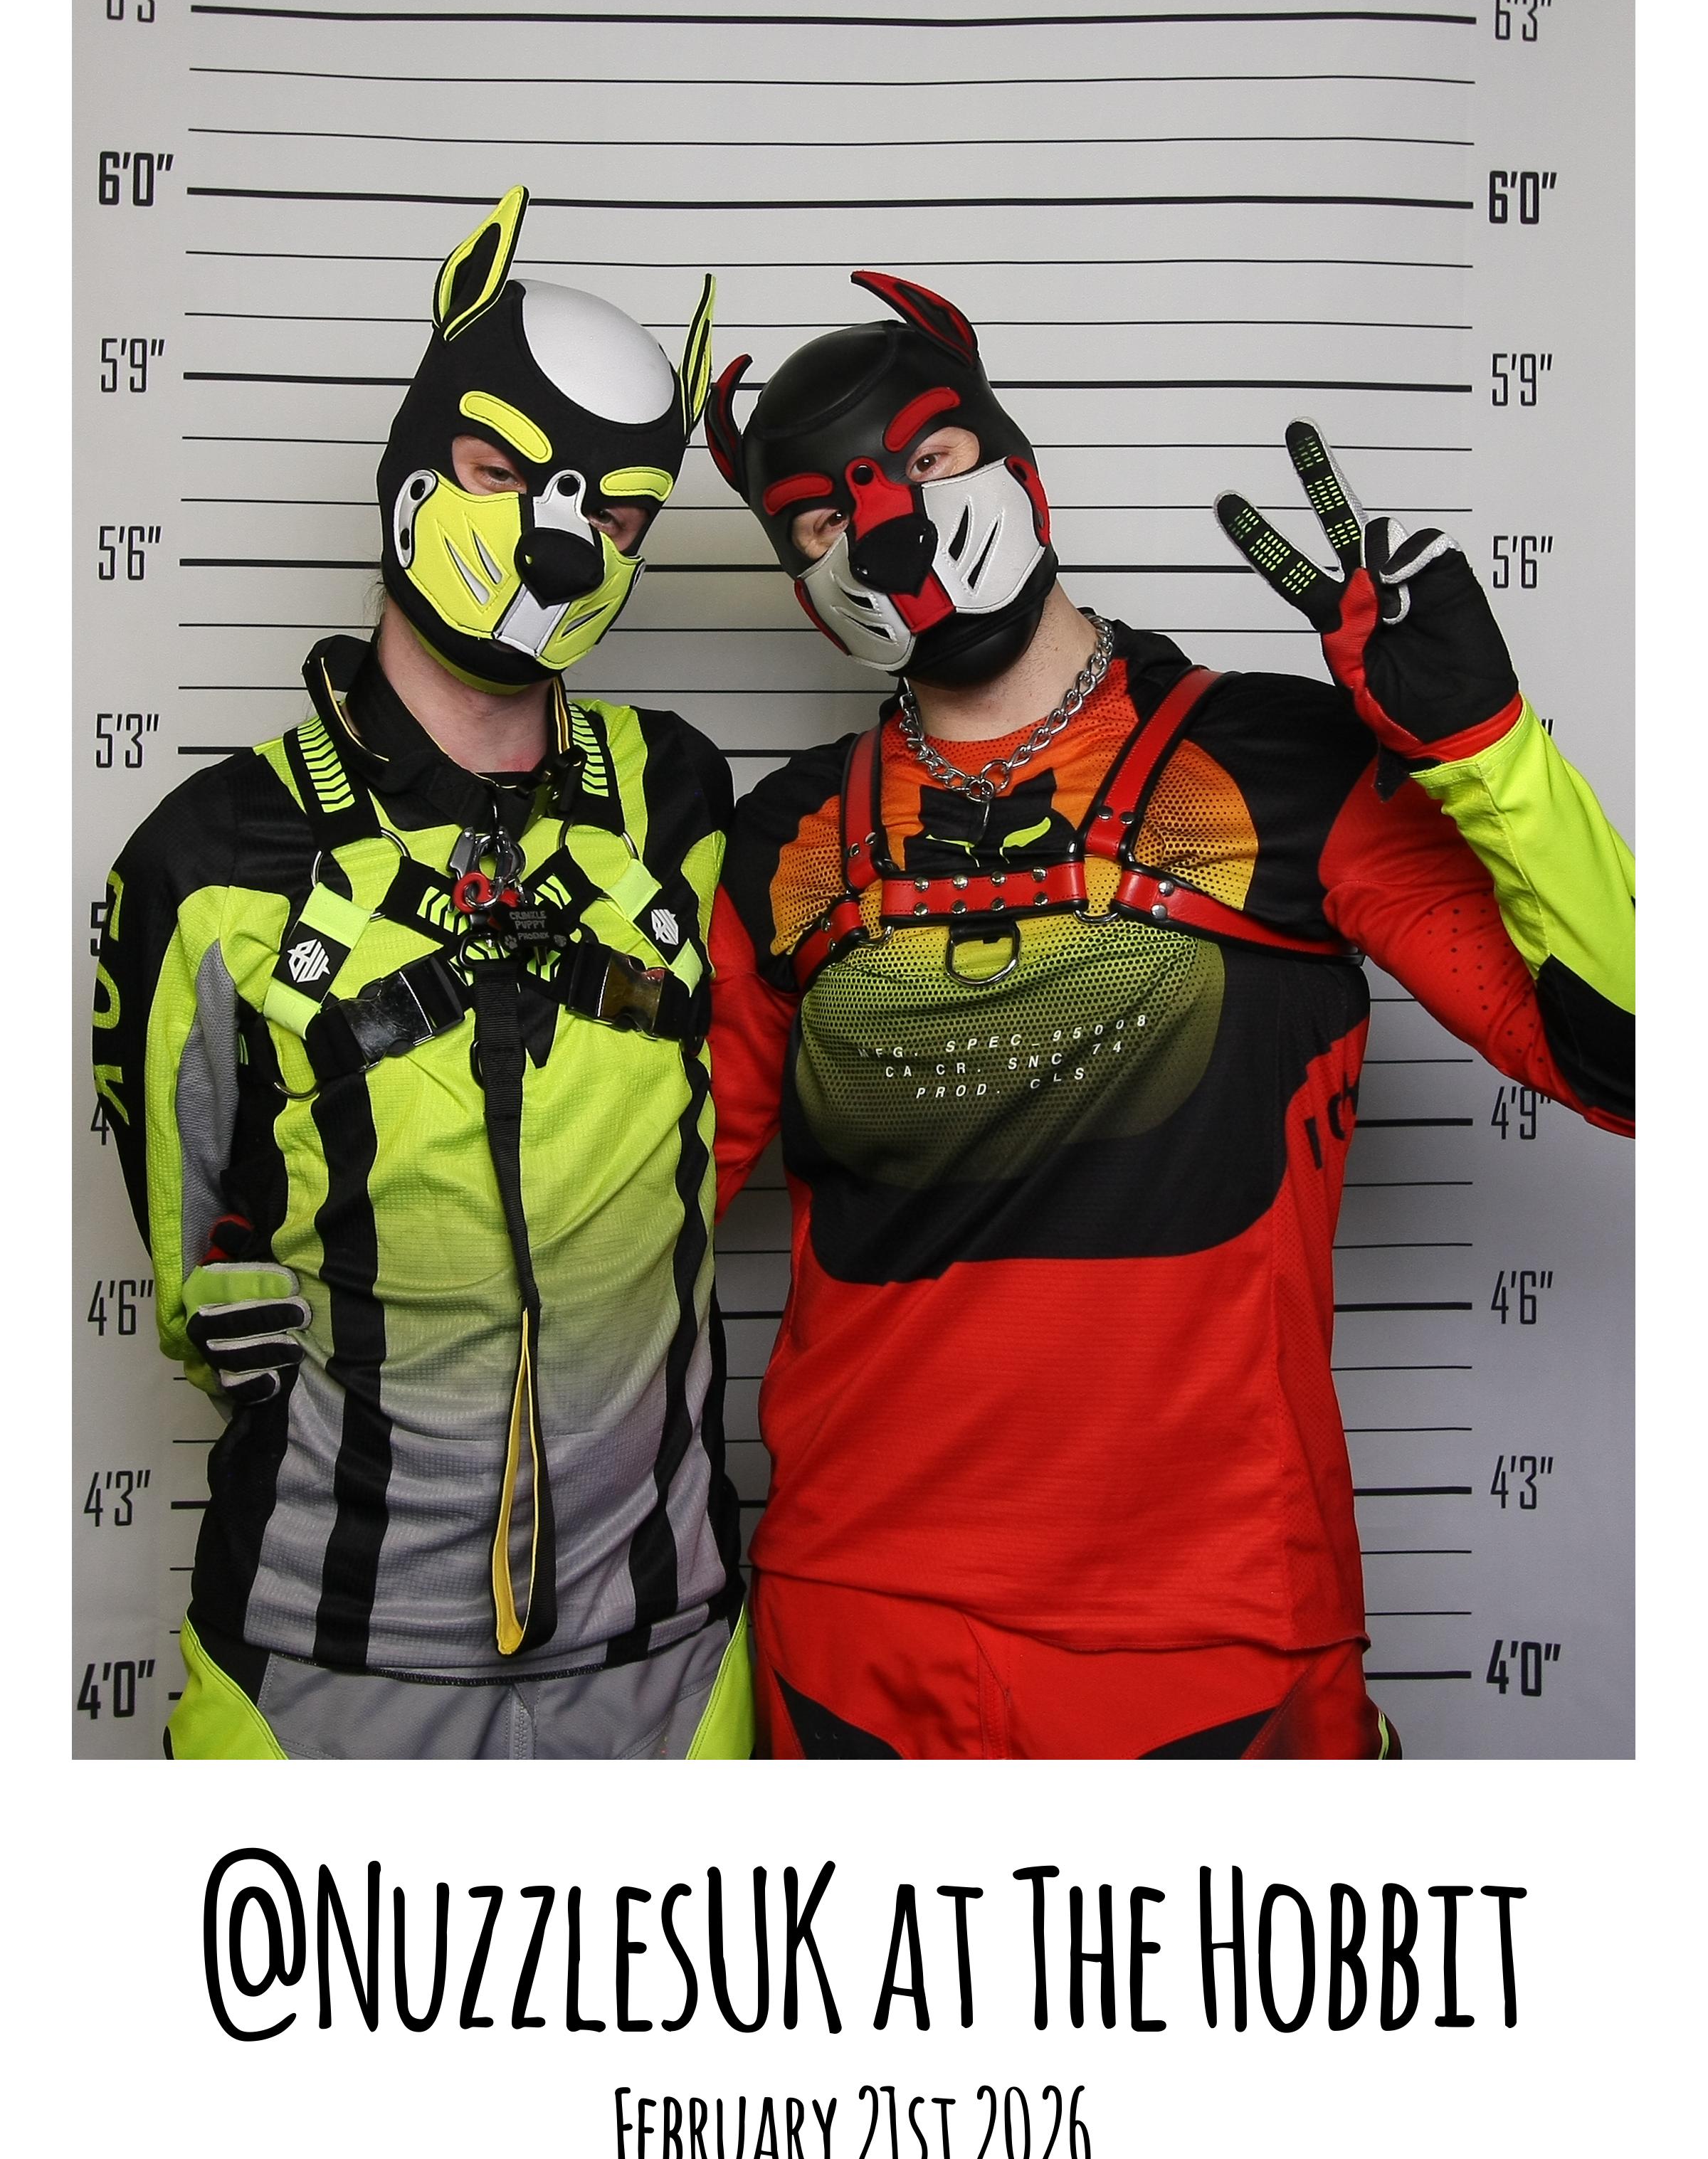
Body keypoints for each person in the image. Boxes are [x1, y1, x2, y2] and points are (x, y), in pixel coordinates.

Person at [702, 271, 1634, 1761]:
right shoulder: (784, 841)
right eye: (816, 523)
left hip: (1216, 1630)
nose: (882, 529)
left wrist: (1487, 751)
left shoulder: (1280, 761)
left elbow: (1633, 1061)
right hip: (856, 1629)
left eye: (929, 458)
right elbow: (638, 1210)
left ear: (1022, 470)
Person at [93, 186, 753, 1760]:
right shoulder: (204, 859)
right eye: (501, 470)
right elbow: (199, 1277)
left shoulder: (684, 803)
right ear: (415, 458)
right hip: (319, 1661)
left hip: (663, 1657)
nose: (559, 537)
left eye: (620, 514)